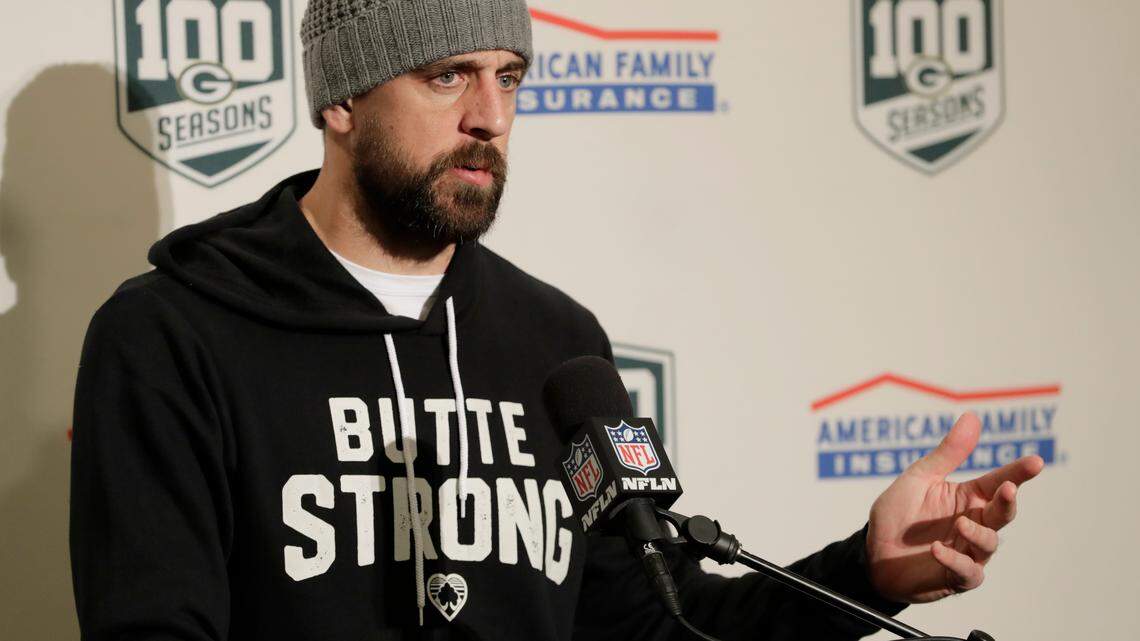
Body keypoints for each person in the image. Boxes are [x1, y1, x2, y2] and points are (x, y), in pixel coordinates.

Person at [69, 1, 1044, 639]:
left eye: (510, 76)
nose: (490, 116)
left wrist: (864, 570)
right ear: (341, 98)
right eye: (447, 75)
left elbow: (657, 624)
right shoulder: (173, 335)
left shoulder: (555, 342)